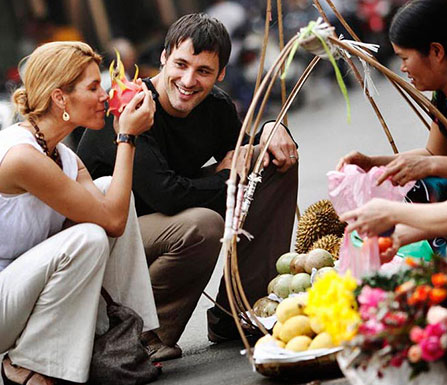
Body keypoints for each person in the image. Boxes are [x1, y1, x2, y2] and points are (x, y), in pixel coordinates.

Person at [0, 41, 158, 385]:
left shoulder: (64, 157)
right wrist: (126, 137)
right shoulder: (21, 157)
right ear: (60, 99)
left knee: (106, 190)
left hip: (21, 293)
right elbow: (111, 223)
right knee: (89, 235)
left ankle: (128, 337)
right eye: (92, 87)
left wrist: (125, 135)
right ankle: (25, 362)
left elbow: (113, 212)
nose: (103, 94)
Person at [77, 13, 299, 359]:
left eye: (203, 71)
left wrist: (271, 128)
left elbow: (244, 150)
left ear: (221, 74)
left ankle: (239, 312)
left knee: (270, 162)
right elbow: (167, 195)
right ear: (164, 57)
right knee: (202, 226)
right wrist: (227, 177)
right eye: (180, 64)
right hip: (110, 238)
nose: (188, 80)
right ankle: (140, 336)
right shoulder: (131, 104)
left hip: (164, 223)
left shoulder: (216, 108)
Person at [336, 0, 447, 254]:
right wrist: (373, 162)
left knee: (424, 185)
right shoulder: (441, 98)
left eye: (405, 58)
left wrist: (429, 169)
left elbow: (434, 162)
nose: (403, 68)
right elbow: (431, 153)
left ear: (436, 52)